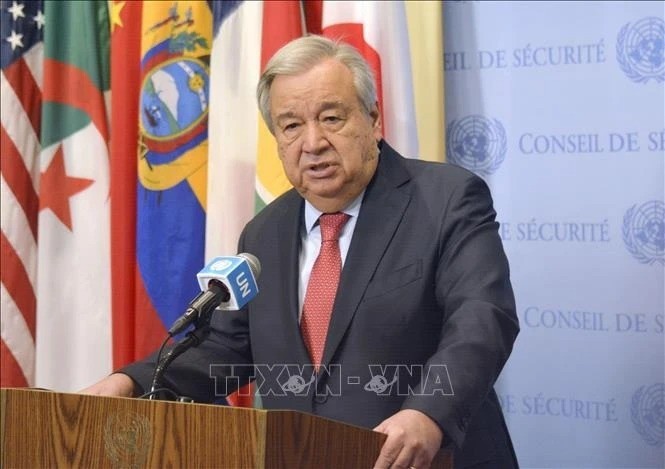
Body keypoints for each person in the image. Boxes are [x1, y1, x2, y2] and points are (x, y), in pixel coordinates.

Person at [83, 35, 520, 469]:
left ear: (373, 119)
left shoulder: (446, 199)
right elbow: (227, 350)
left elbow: (481, 319)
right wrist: (131, 383)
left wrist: (428, 413)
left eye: (331, 118)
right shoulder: (263, 233)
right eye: (291, 126)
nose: (312, 143)